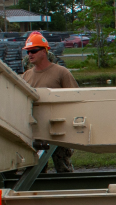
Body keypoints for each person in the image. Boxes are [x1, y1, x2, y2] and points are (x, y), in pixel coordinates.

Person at [21, 32, 77, 173]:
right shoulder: (26, 75)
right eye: (28, 51)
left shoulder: (61, 73)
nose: (30, 54)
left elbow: (75, 98)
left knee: (63, 168)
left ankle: (69, 192)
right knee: (36, 171)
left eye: (33, 51)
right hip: (36, 130)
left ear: (44, 51)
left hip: (59, 129)